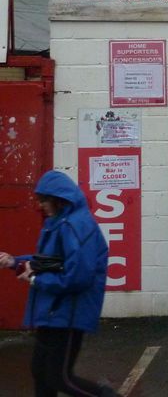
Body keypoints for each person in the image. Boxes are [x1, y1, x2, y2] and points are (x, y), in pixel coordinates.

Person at [0, 170, 118, 397]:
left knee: (59, 377)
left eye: (44, 200)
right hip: (54, 312)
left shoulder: (75, 225)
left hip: (67, 313)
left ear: (59, 199)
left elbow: (78, 276)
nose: (41, 205)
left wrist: (36, 279)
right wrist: (15, 262)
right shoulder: (60, 223)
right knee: (41, 372)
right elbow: (49, 262)